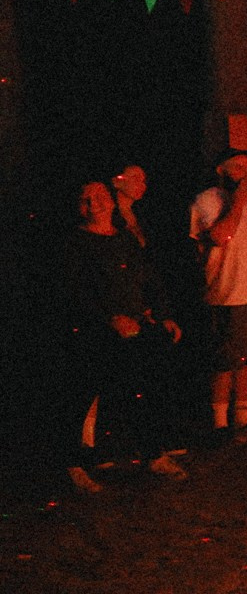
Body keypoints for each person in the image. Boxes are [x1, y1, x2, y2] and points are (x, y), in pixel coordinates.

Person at [65, 180, 185, 491]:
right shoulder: (76, 243)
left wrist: (164, 314)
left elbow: (149, 278)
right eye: (86, 199)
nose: (94, 205)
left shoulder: (126, 240)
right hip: (93, 333)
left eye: (100, 197)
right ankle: (74, 463)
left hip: (134, 330)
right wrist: (107, 318)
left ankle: (152, 454)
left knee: (140, 392)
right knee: (84, 396)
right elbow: (74, 291)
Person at [189, 151, 247, 442]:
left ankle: (242, 422)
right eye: (239, 166)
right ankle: (219, 424)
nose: (246, 172)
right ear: (222, 169)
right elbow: (219, 236)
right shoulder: (208, 199)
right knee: (226, 361)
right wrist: (238, 202)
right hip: (228, 292)